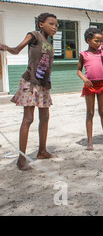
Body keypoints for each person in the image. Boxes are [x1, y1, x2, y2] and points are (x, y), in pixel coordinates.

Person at [0, 13, 58, 170]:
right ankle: (21, 159)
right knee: (28, 119)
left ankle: (42, 151)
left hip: (44, 84)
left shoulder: (48, 42)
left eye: (56, 25)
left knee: (45, 117)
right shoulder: (35, 35)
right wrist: (5, 47)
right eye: (51, 23)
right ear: (41, 24)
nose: (55, 27)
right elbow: (17, 49)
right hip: (31, 82)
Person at [77, 27, 103, 150]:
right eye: (96, 41)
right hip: (89, 85)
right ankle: (90, 141)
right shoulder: (84, 54)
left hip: (101, 84)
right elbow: (78, 70)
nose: (99, 44)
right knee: (90, 112)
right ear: (88, 40)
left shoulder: (101, 53)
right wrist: (84, 79)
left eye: (100, 41)